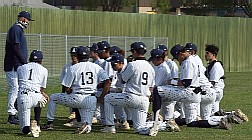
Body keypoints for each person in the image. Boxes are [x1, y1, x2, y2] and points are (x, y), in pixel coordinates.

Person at [43, 46, 111, 134]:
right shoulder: (96, 67)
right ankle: (87, 125)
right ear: (88, 56)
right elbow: (108, 82)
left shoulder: (73, 68)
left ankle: (49, 123)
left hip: (76, 97)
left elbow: (67, 87)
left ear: (78, 56)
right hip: (91, 99)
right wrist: (102, 97)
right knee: (87, 124)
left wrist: (70, 92)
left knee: (53, 97)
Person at [101, 42, 155, 134]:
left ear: (134, 51)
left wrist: (119, 71)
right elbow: (151, 86)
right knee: (139, 128)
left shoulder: (133, 64)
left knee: (108, 98)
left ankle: (110, 126)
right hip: (145, 99)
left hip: (132, 97)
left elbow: (123, 80)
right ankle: (159, 125)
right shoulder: (150, 67)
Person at [4, 11, 34, 124]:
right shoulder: (16, 29)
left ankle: (15, 112)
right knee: (15, 88)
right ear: (23, 19)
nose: (28, 22)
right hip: (13, 64)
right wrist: (24, 62)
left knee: (19, 88)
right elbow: (16, 48)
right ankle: (11, 115)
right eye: (27, 20)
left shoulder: (18, 29)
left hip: (17, 65)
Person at [17, 50, 49, 137]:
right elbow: (41, 89)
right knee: (41, 99)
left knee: (24, 130)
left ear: (29, 59)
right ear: (41, 60)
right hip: (36, 96)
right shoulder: (44, 70)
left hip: (24, 96)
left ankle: (31, 127)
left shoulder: (20, 68)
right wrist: (44, 94)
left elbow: (19, 84)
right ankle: (37, 124)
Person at [60, 46, 81, 127]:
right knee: (71, 108)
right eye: (72, 55)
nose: (73, 57)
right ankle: (73, 120)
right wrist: (63, 93)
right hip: (69, 90)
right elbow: (63, 81)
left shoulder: (82, 65)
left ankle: (78, 120)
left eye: (75, 55)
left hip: (79, 90)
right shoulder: (67, 66)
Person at [204, 44, 225, 114]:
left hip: (216, 90)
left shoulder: (216, 65)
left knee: (212, 113)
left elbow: (213, 82)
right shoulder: (211, 65)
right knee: (214, 112)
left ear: (213, 54)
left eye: (207, 53)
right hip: (214, 90)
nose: (205, 54)